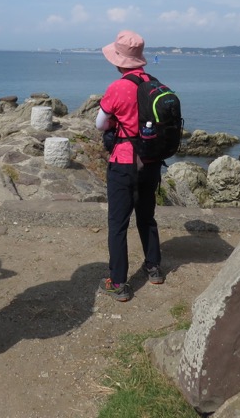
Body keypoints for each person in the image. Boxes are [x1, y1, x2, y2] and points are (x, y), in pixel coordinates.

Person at [95, 30, 165, 302]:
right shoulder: (154, 83)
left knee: (118, 224)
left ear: (118, 60)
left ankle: (119, 282)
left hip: (124, 163)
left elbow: (100, 123)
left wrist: (116, 124)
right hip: (151, 161)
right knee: (147, 216)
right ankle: (154, 267)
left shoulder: (118, 87)